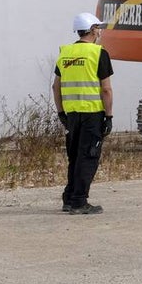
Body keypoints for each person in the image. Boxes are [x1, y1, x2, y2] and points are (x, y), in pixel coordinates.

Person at [52, 12, 114, 215]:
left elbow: (56, 87)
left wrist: (61, 113)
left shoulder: (65, 52)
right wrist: (109, 116)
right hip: (92, 114)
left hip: (71, 115)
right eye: (98, 28)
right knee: (87, 157)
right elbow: (106, 89)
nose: (100, 31)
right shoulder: (98, 53)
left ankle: (69, 199)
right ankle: (79, 202)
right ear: (92, 30)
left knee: (75, 157)